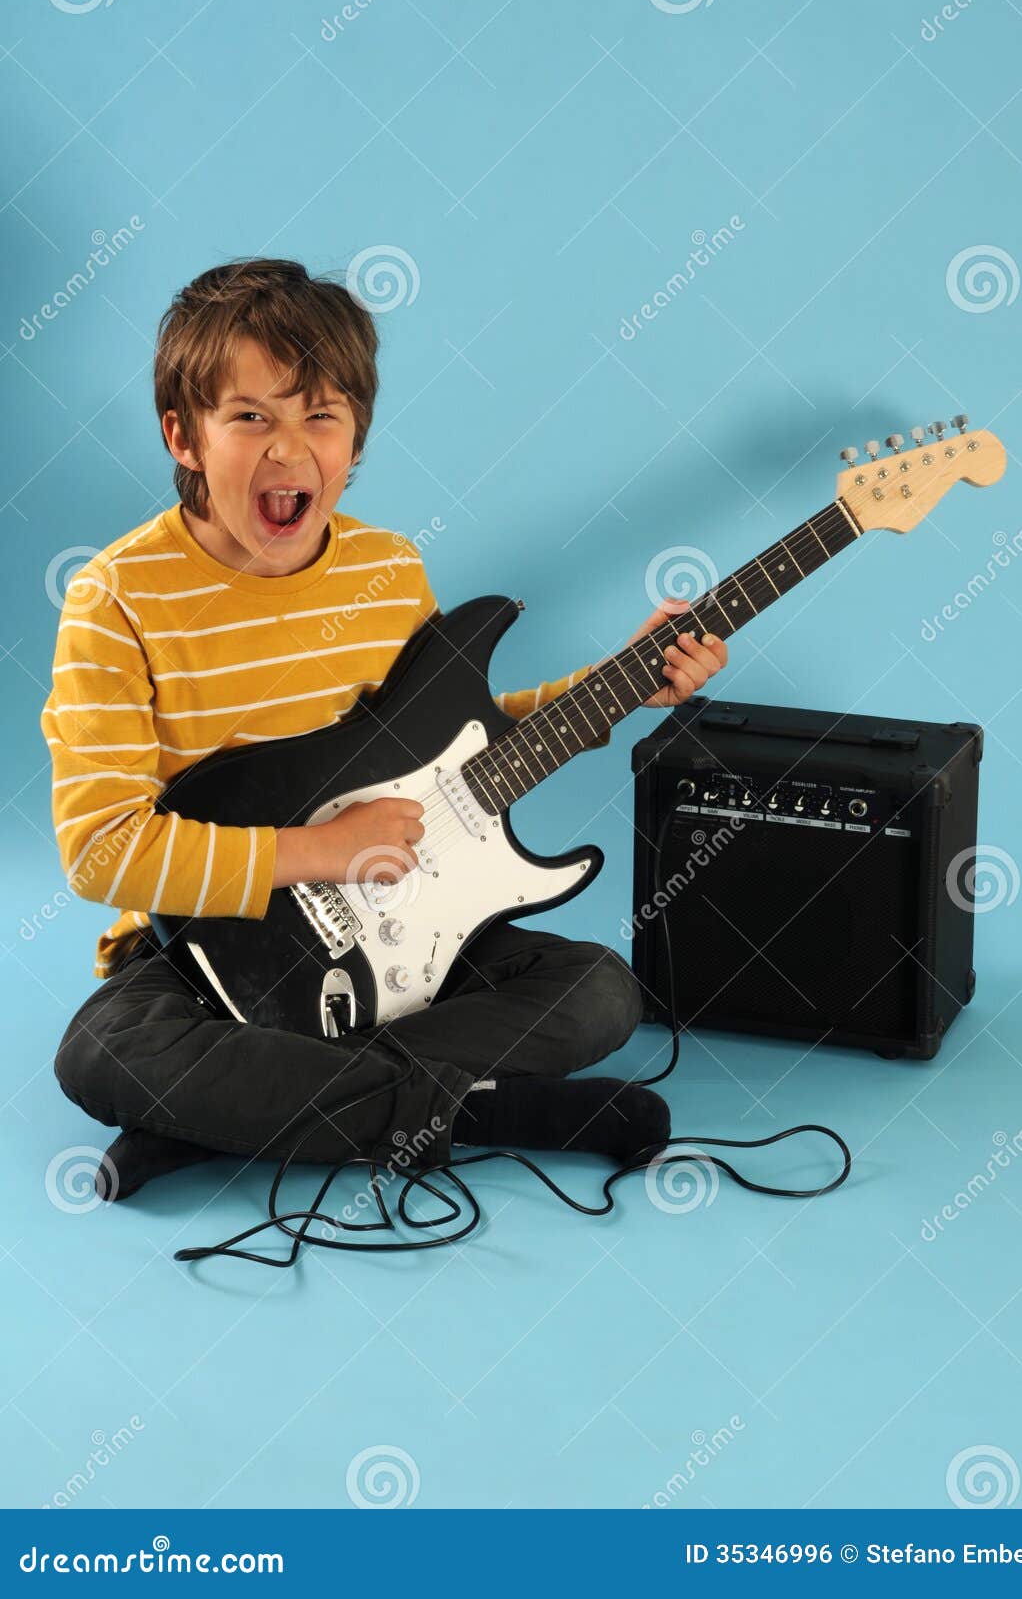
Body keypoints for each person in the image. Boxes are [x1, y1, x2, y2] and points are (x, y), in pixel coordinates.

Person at [42, 257, 728, 1203]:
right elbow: (102, 854)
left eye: (319, 415)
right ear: (183, 436)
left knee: (602, 990)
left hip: (404, 936)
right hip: (208, 956)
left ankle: (236, 1117)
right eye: (250, 417)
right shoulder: (116, 597)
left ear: (355, 441)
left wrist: (622, 681)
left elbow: (454, 750)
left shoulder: (388, 568)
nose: (289, 450)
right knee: (101, 1053)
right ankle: (487, 1113)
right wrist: (320, 850)